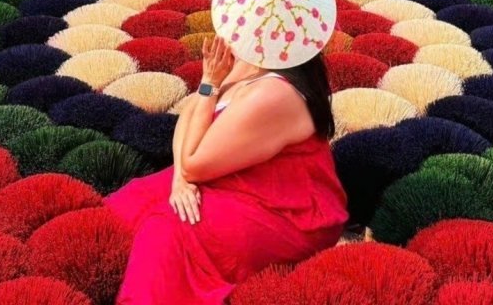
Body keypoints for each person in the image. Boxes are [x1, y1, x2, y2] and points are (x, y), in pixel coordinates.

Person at [103, 35, 349, 304]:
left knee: (167, 229)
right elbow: (189, 116)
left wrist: (210, 84)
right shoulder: (243, 65)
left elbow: (195, 164)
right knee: (133, 200)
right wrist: (179, 179)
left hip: (290, 213)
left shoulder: (275, 94)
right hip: (239, 180)